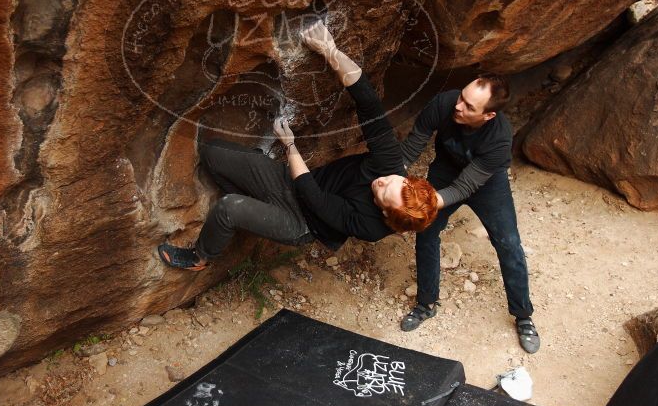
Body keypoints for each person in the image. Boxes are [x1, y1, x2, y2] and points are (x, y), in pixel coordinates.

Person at [158, 20, 438, 271]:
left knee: (228, 208)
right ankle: (253, 199)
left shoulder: (371, 226)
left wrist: (290, 147)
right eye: (390, 181)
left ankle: (201, 258)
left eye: (381, 193)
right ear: (406, 181)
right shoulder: (390, 166)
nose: (379, 182)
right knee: (213, 152)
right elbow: (369, 104)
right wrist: (330, 51)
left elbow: (314, 197)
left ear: (387, 215)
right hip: (291, 184)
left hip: (302, 219)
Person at [398, 73, 540, 353]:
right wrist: (392, 175)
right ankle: (426, 303)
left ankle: (523, 315)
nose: (458, 106)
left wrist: (425, 202)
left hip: (486, 183)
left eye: (469, 106)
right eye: (462, 97)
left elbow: (464, 187)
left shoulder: (499, 139)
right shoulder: (444, 103)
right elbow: (414, 143)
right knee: (426, 233)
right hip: (446, 169)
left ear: (488, 115)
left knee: (508, 244)